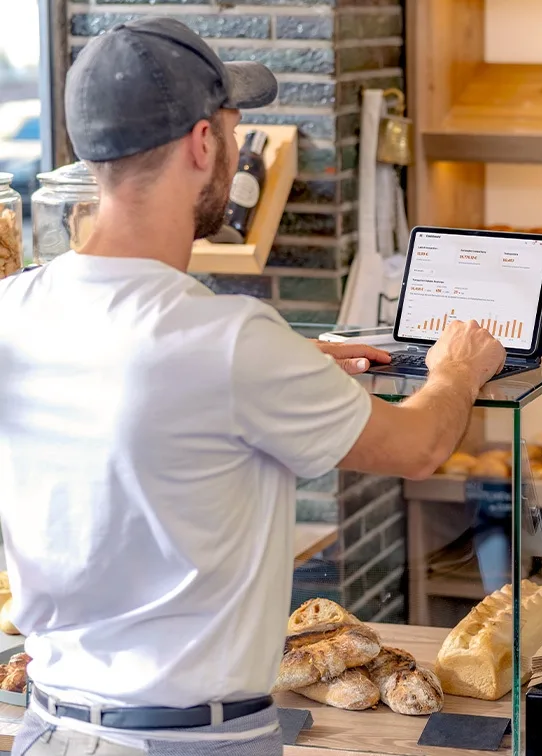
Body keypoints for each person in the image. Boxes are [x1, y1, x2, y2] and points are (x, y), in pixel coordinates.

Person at [0, 17, 506, 756]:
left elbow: (137, 391)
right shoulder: (231, 342)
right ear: (204, 145)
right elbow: (422, 445)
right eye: (235, 128)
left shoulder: (15, 307)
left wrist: (287, 363)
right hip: (191, 745)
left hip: (50, 731)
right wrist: (457, 367)